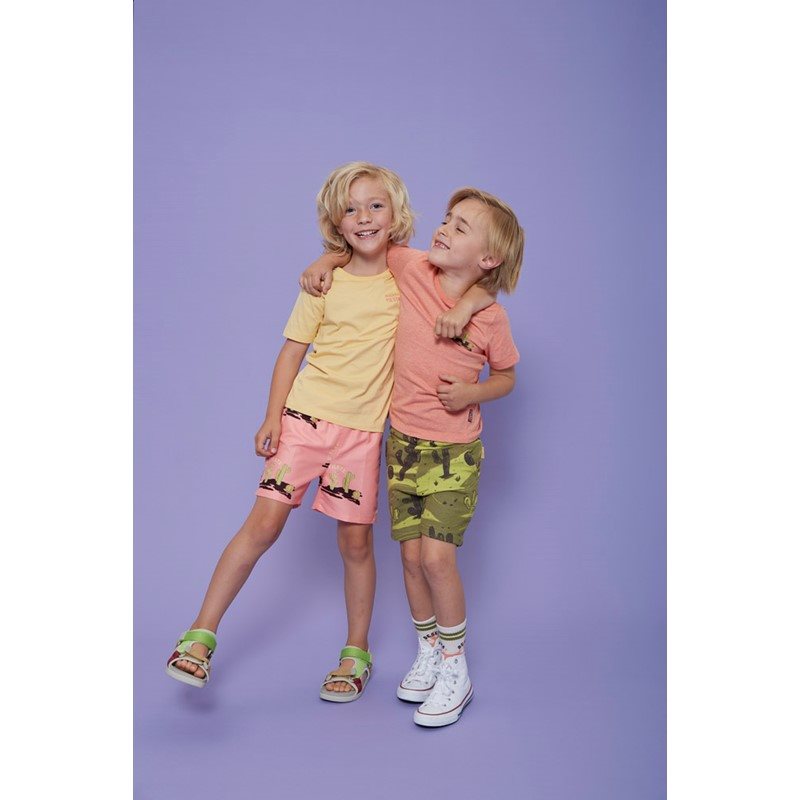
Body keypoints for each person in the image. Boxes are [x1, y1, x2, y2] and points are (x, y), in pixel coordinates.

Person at [166, 163, 493, 702]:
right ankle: (200, 636)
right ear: (335, 223)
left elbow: (477, 282)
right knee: (262, 525)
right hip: (304, 421)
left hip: (361, 437)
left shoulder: (412, 274)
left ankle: (355, 652)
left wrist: (472, 303)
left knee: (355, 544)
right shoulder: (323, 282)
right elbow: (291, 352)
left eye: (375, 206)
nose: (364, 217)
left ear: (396, 214)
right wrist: (272, 416)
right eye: (350, 209)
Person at [301, 187, 523, 724]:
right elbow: (365, 244)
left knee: (436, 559)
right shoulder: (414, 268)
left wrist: (473, 391)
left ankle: (456, 666)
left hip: (455, 453)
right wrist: (324, 261)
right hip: (402, 444)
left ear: (488, 259)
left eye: (461, 227)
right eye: (447, 219)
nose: (444, 229)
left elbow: (507, 376)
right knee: (409, 558)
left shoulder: (490, 319)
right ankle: (428, 650)